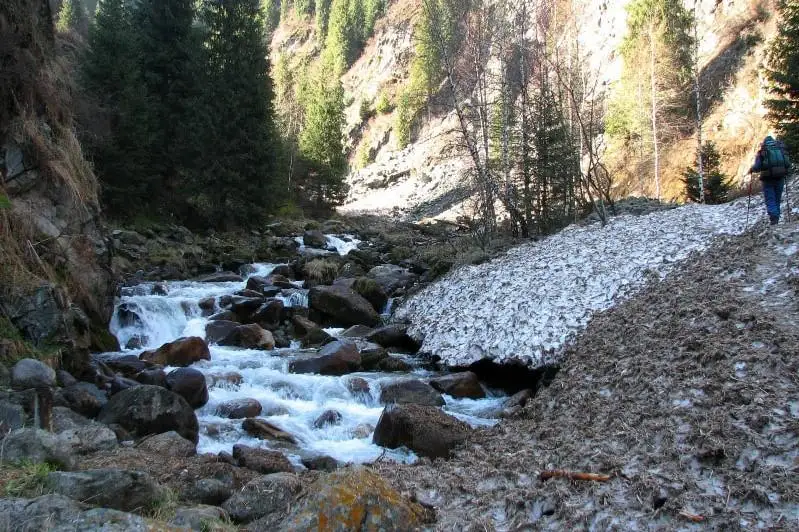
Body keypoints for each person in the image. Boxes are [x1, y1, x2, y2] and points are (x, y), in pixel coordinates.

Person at [750, 135, 791, 225]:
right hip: (780, 177)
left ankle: (774, 218)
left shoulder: (763, 151)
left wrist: (752, 169)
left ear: (764, 143)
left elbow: (757, 167)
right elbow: (787, 164)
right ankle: (776, 217)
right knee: (777, 198)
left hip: (767, 179)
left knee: (770, 198)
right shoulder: (780, 149)